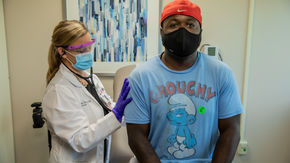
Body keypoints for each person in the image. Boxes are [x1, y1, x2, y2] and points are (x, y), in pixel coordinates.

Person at [124, 0, 243, 162]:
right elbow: (136, 135)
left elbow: (231, 129)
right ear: (161, 32)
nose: (182, 30)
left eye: (190, 24)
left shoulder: (221, 73)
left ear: (200, 31)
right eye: (173, 25)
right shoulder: (141, 77)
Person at [42, 20, 132, 163]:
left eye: (89, 46)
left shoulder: (91, 78)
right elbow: (79, 140)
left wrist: (131, 109)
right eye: (81, 50)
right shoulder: (58, 91)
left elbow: (107, 109)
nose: (88, 53)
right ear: (62, 52)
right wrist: (116, 115)